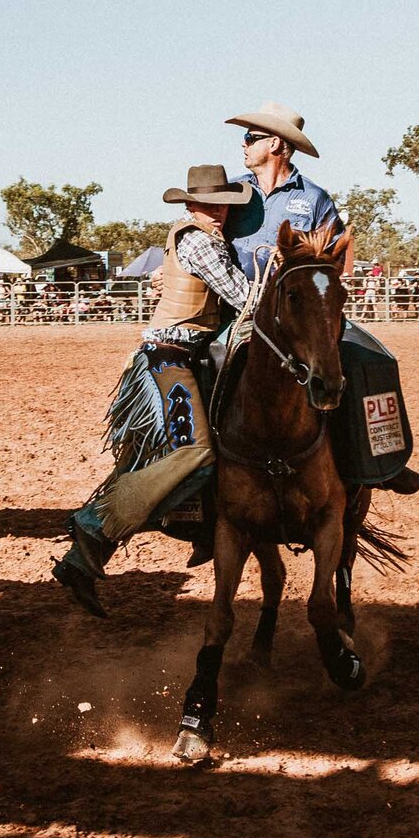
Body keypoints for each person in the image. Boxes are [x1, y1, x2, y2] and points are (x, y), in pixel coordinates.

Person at [53, 163, 255, 615]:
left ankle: (81, 561)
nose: (219, 213)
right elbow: (245, 297)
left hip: (169, 358)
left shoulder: (192, 237)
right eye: (210, 205)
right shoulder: (200, 242)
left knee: (148, 462)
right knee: (196, 455)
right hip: (170, 360)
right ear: (191, 204)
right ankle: (92, 525)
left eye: (224, 205)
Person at [223, 101, 344, 282]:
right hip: (227, 305)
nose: (243, 144)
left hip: (286, 304)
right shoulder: (230, 191)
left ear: (274, 144)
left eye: (250, 138)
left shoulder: (315, 198)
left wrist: (297, 256)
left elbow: (335, 260)